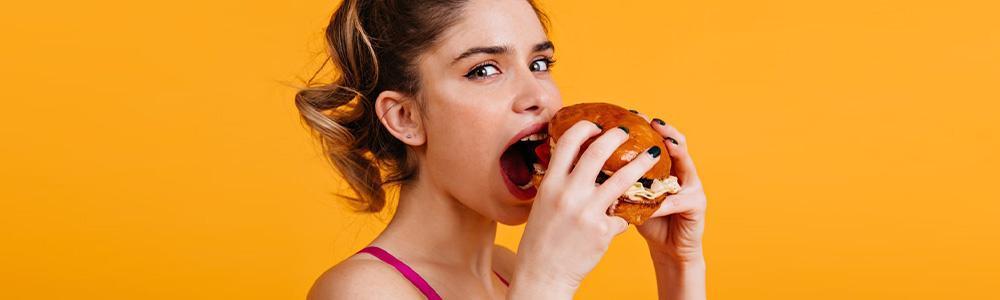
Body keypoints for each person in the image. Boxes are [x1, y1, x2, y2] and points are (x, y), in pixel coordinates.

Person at [295, 0, 707, 299]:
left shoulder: (508, 270)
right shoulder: (361, 291)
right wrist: (546, 282)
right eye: (483, 70)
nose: (538, 97)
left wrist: (677, 264)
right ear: (405, 117)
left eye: (540, 64)